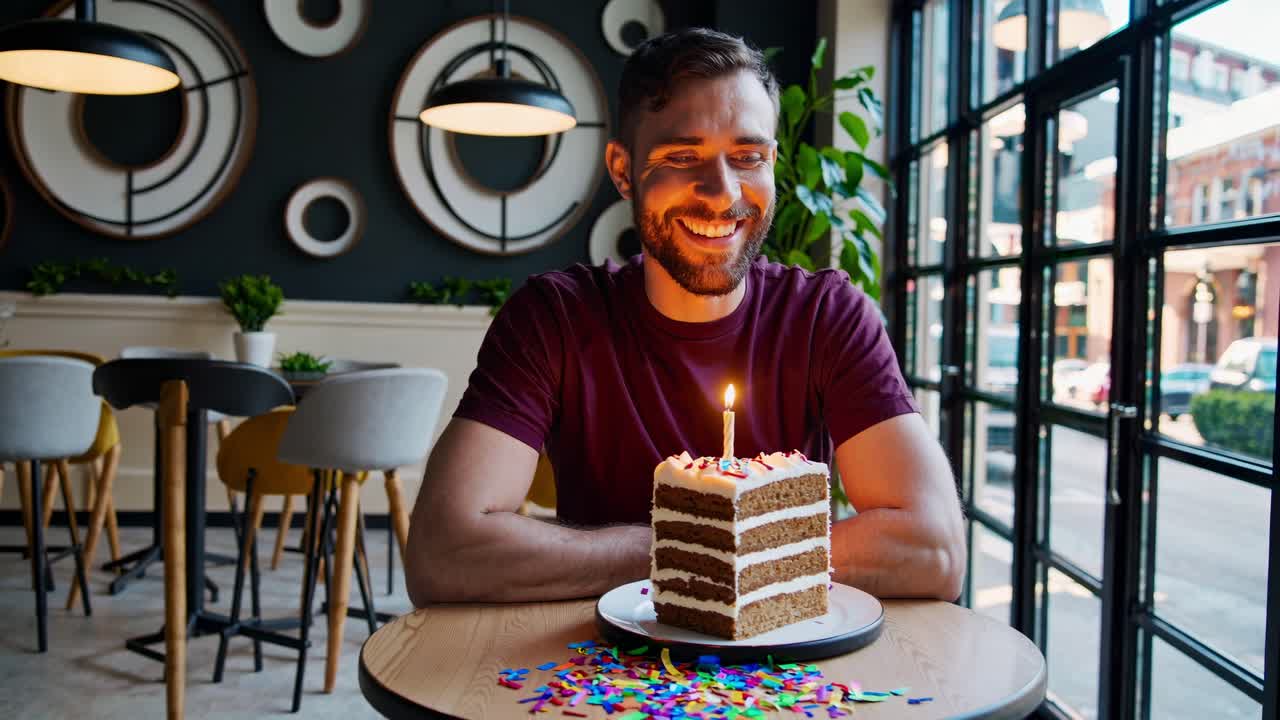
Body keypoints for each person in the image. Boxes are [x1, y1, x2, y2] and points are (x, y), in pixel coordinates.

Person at [405, 27, 965, 605]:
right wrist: (698, 547)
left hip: (788, 678)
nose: (722, 194)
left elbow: (934, 550)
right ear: (623, 170)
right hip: (599, 677)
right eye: (681, 156)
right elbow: (442, 552)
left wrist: (699, 551)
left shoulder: (826, 316)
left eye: (749, 157)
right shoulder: (555, 319)